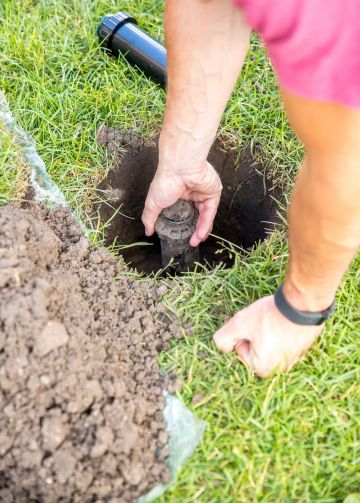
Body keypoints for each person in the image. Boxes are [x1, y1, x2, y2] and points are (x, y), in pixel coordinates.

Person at [141, 0, 360, 377]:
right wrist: (183, 156)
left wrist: (299, 310)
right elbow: (208, 5)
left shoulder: (328, 22)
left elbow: (347, 159)